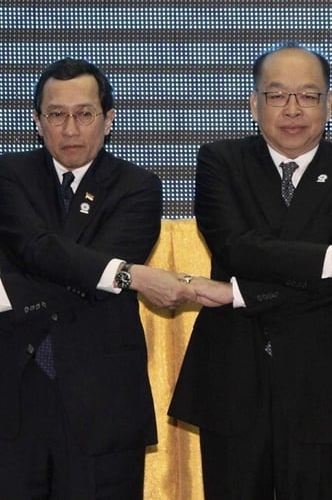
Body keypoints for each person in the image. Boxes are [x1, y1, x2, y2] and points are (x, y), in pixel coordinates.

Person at [168, 43, 332, 499]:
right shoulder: (221, 162)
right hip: (233, 377)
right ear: (254, 104)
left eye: (308, 96)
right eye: (277, 96)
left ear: (329, 104)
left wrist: (237, 295)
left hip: (320, 382)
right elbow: (236, 249)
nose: (293, 109)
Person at [0, 58, 200, 498]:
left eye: (85, 114)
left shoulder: (138, 186)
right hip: (13, 396)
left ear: (108, 121)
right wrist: (130, 277)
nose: (71, 128)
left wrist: (8, 292)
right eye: (57, 114)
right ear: (37, 121)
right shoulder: (8, 176)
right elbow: (34, 246)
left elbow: (55, 259)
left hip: (101, 399)